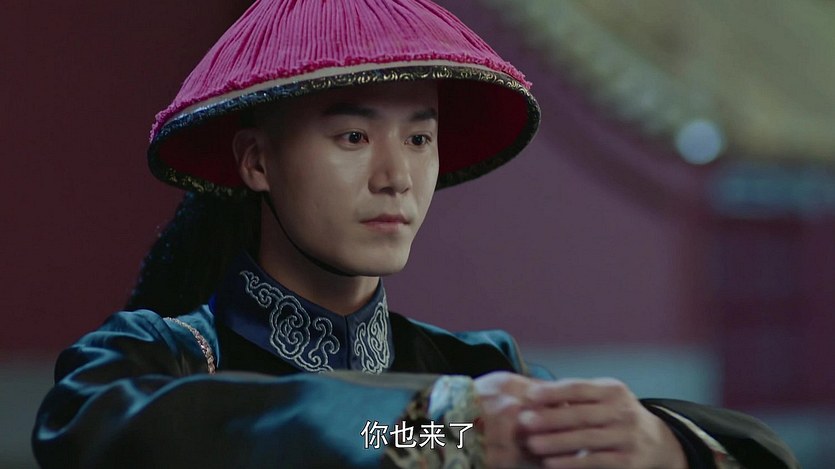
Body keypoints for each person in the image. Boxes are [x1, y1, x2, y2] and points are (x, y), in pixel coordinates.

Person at [32, 0, 798, 467]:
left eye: (420, 138)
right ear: (257, 160)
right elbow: (107, 434)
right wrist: (437, 432)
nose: (396, 176)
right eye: (353, 137)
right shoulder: (150, 358)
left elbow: (761, 449)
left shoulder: (478, 366)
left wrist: (655, 445)